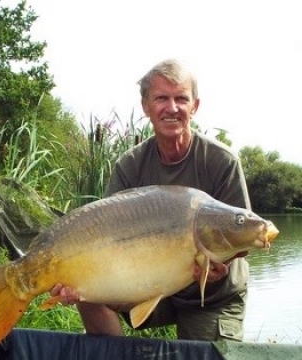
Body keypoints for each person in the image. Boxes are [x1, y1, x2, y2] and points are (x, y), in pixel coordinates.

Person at [51, 58, 251, 341]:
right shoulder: (129, 166)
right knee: (88, 294)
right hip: (147, 285)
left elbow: (242, 236)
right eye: (161, 98)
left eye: (181, 99)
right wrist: (76, 282)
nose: (172, 108)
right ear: (145, 106)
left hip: (210, 297)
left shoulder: (222, 161)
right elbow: (103, 237)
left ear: (195, 106)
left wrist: (222, 265)